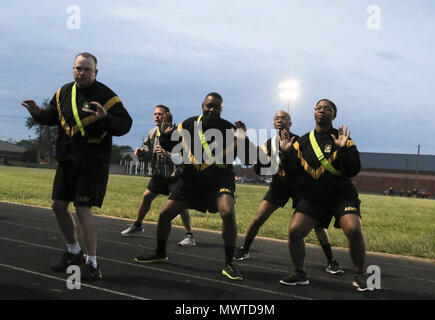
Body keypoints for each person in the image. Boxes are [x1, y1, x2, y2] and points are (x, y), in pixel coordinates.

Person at [20, 52, 132, 281]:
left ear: (96, 72)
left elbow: (125, 125)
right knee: (58, 206)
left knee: (82, 209)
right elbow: (53, 117)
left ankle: (92, 263)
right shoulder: (63, 92)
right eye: (78, 68)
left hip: (92, 164)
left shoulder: (107, 96)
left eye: (86, 69)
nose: (81, 73)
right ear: (73, 69)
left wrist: (105, 118)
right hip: (67, 160)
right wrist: (37, 113)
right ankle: (73, 252)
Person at [134, 92, 254, 281]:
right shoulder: (189, 124)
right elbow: (171, 145)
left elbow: (248, 159)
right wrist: (165, 134)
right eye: (208, 105)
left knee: (228, 212)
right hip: (191, 180)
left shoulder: (229, 129)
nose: (211, 109)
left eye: (216, 106)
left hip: (219, 180)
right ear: (202, 105)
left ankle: (229, 263)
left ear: (222, 109)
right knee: (165, 214)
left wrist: (244, 139)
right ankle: (159, 252)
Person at [234, 111, 343, 275]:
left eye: (283, 118)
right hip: (280, 186)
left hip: (301, 186)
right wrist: (244, 138)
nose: (279, 120)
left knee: (318, 226)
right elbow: (256, 159)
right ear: (273, 123)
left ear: (290, 123)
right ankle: (244, 249)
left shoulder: (299, 141)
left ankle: (331, 260)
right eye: (276, 118)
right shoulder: (269, 143)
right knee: (258, 218)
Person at [279, 99, 369, 291]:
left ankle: (360, 274)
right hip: (314, 198)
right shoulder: (302, 142)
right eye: (318, 108)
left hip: (342, 195)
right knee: (295, 231)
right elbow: (292, 174)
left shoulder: (343, 138)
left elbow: (354, 169)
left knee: (353, 230)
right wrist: (285, 154)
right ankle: (300, 273)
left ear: (334, 115)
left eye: (327, 109)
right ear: (314, 112)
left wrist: (343, 149)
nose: (322, 111)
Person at [121, 105, 196, 247]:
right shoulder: (152, 132)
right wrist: (142, 153)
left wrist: (168, 154)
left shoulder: (177, 133)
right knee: (146, 197)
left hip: (176, 175)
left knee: (180, 205)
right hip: (159, 173)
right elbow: (149, 154)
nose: (156, 116)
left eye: (160, 114)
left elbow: (185, 157)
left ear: (167, 116)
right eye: (155, 114)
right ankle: (138, 225)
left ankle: (190, 235)